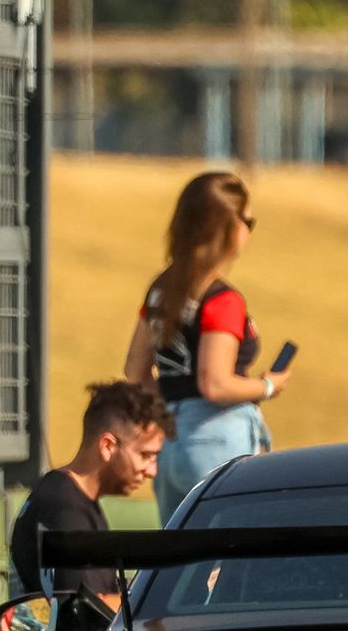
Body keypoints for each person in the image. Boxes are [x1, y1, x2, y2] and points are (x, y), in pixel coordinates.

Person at [119, 171, 282, 522]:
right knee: (228, 559)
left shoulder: (160, 289)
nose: (249, 230)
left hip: (171, 443)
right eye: (247, 221)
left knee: (181, 563)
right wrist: (267, 386)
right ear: (226, 226)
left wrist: (167, 418)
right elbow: (215, 383)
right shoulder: (222, 299)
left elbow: (135, 371)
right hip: (217, 438)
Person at [11, 381, 169, 611]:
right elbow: (89, 610)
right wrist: (171, 600)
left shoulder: (66, 496)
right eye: (146, 455)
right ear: (107, 446)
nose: (152, 471)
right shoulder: (66, 511)